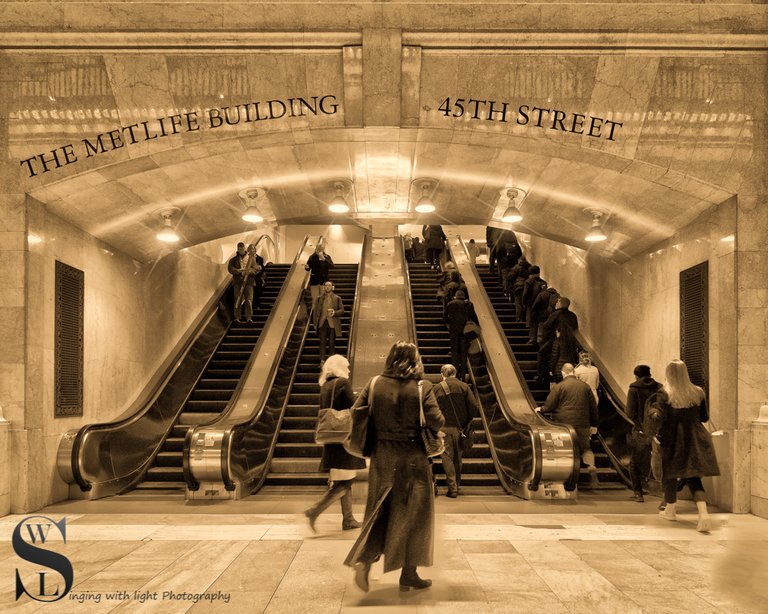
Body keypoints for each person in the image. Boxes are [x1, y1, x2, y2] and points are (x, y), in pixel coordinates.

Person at [344, 341, 444, 592]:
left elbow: (357, 412)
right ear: (415, 360)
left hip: (383, 457)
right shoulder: (423, 387)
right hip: (414, 458)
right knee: (416, 516)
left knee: (381, 510)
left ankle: (366, 560)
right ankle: (409, 572)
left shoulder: (374, 383)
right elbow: (436, 419)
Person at [650, 359, 719, 532]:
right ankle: (703, 514)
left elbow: (660, 418)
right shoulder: (698, 392)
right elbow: (704, 417)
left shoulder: (664, 393)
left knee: (670, 474)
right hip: (696, 437)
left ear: (669, 374)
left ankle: (671, 509)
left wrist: (651, 412)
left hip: (674, 438)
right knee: (693, 476)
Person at [304, 355, 366, 532]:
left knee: (344, 480)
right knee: (344, 483)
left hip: (332, 437)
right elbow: (354, 407)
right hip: (344, 438)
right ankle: (314, 511)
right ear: (338, 367)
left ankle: (348, 519)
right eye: (346, 367)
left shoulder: (325, 385)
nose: (348, 370)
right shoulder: (342, 383)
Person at [542, 363, 599, 488]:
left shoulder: (559, 386)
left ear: (563, 373)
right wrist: (594, 424)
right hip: (583, 423)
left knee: (566, 451)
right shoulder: (585, 387)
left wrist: (541, 409)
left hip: (564, 426)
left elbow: (549, 406)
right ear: (574, 371)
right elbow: (593, 407)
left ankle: (570, 478)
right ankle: (591, 465)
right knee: (585, 449)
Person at [434, 364, 479, 498]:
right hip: (460, 428)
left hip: (443, 428)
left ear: (442, 374)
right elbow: (473, 407)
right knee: (457, 458)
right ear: (455, 373)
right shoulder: (464, 387)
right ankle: (456, 486)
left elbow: (432, 408)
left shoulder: (437, 388)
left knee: (447, 457)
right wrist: (466, 422)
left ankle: (452, 488)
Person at [625, 364, 661, 502]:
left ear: (636, 375)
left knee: (635, 462)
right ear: (650, 374)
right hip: (657, 432)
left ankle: (638, 493)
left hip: (641, 430)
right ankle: (663, 493)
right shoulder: (660, 388)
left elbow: (630, 411)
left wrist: (638, 424)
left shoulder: (634, 389)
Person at [444, 290, 478, 380]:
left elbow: (444, 317)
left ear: (456, 296)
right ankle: (462, 376)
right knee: (464, 354)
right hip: (465, 332)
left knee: (455, 353)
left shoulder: (450, 304)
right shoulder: (469, 304)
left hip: (454, 332)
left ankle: (454, 375)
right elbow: (474, 317)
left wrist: (450, 324)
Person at [227, 241, 263, 323]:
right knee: (237, 299)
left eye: (242, 249)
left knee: (249, 300)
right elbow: (230, 269)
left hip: (249, 282)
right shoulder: (233, 260)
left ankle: (249, 317)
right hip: (237, 282)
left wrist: (249, 271)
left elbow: (255, 269)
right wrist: (239, 271)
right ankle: (237, 317)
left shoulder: (251, 259)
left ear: (244, 248)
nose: (241, 250)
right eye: (239, 249)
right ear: (237, 249)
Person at [313, 281, 344, 365]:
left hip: (333, 323)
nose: (327, 287)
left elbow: (342, 310)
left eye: (329, 285)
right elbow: (315, 311)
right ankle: (322, 360)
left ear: (332, 287)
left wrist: (335, 313)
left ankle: (331, 361)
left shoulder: (337, 298)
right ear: (324, 287)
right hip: (322, 323)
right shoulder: (319, 298)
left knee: (331, 342)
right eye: (326, 285)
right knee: (322, 342)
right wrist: (315, 323)